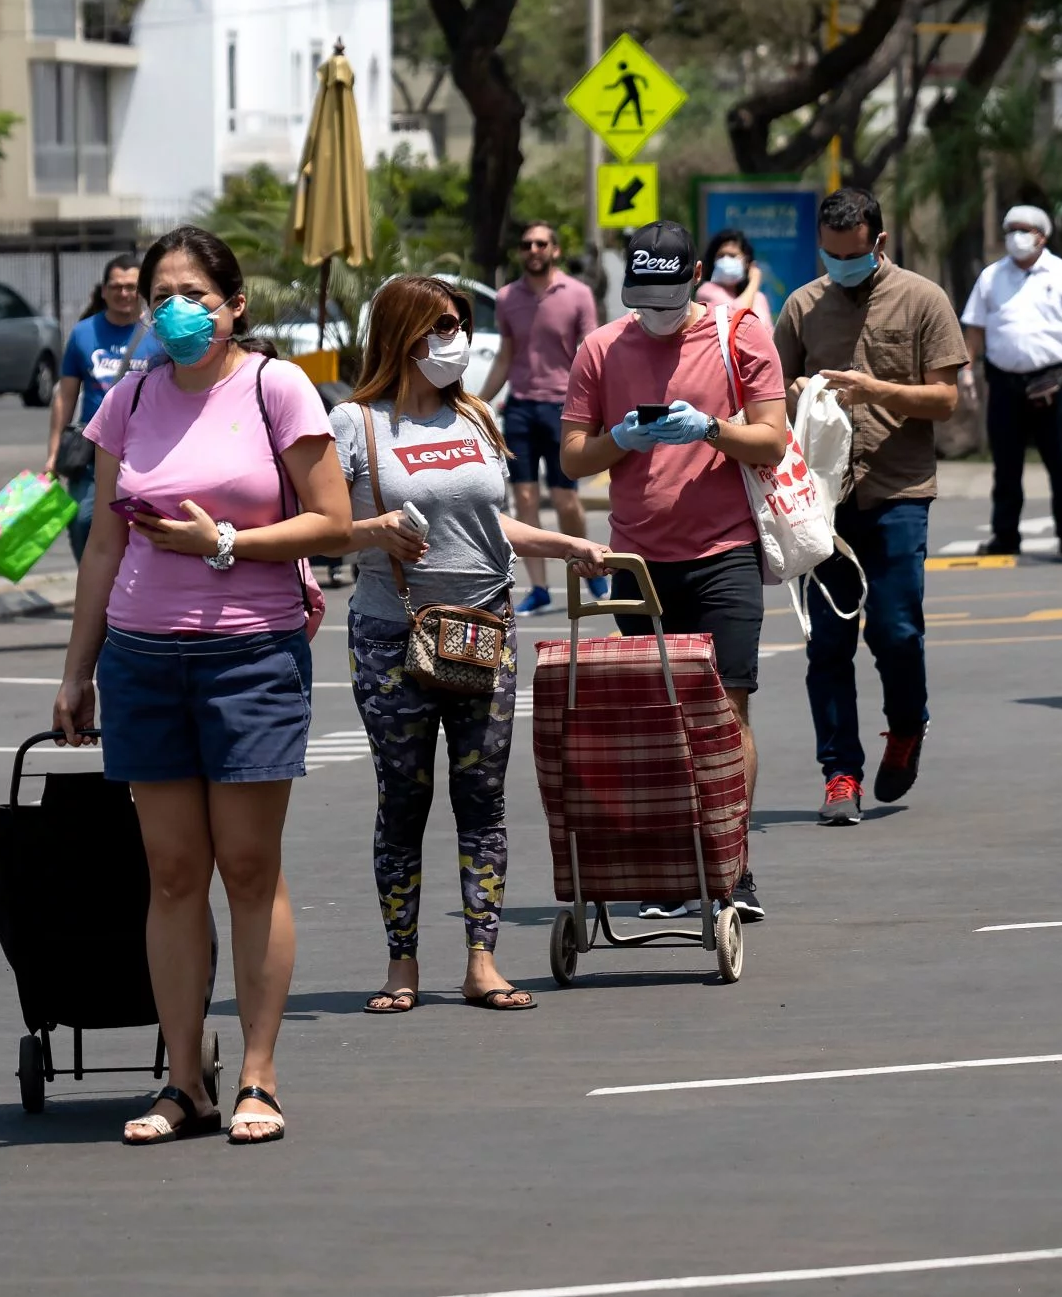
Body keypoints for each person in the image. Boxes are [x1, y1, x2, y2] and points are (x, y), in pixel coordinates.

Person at [52, 225, 351, 1149]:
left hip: (249, 656)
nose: (175, 308)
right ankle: (186, 1080)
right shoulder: (129, 396)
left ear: (235, 304)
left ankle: (258, 1073)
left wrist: (226, 543)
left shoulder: (277, 386)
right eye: (159, 294)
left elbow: (334, 523)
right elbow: (103, 541)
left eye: (193, 292)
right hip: (142, 660)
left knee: (249, 869)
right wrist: (77, 668)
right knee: (173, 874)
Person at [333, 275, 606, 1015]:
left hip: (484, 628)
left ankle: (482, 959)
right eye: (444, 324)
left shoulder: (478, 416)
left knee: (482, 796)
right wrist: (369, 534)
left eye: (461, 323)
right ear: (403, 333)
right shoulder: (354, 424)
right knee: (405, 798)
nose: (458, 337)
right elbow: (323, 526)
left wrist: (569, 541)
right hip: (395, 633)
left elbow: (495, 527)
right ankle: (402, 961)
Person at [561, 220, 790, 917]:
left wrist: (711, 428)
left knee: (725, 712)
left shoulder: (740, 333)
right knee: (657, 720)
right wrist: (619, 439)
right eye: (643, 301)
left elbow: (773, 440)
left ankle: (730, 864)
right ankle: (670, 868)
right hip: (638, 557)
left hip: (723, 553)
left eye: (669, 299)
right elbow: (573, 458)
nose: (656, 316)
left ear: (695, 274)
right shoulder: (600, 349)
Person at [778, 189, 966, 824]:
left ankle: (907, 725)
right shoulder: (802, 305)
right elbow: (769, 394)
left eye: (853, 256)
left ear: (879, 245)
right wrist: (797, 391)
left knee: (896, 631)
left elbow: (945, 399)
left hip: (897, 490)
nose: (840, 266)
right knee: (828, 643)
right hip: (823, 503)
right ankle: (840, 774)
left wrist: (875, 390)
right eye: (830, 256)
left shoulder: (924, 299)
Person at [483, 221, 604, 613]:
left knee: (566, 498)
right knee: (524, 497)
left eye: (540, 243)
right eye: (526, 244)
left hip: (563, 408)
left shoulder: (578, 294)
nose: (533, 249)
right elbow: (505, 355)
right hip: (519, 406)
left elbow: (591, 351)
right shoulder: (506, 297)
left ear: (554, 249)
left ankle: (591, 569)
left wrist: (599, 405)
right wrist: (478, 402)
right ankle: (539, 587)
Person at [964, 204, 1062, 560]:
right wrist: (967, 370)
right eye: (1011, 229)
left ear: (1042, 236)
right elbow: (975, 326)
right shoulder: (991, 277)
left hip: (1054, 379)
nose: (1016, 237)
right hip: (1003, 382)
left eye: (1024, 229)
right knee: (1005, 465)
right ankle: (1005, 535)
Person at [43, 254, 155, 559]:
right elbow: (65, 396)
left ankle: (125, 594)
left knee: (139, 528)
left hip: (145, 451)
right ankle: (93, 586)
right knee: (82, 521)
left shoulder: (159, 335)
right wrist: (53, 455)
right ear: (103, 291)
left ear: (142, 290)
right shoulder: (83, 333)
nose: (123, 293)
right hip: (92, 452)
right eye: (116, 286)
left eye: (131, 286)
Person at [696, 228, 773, 322]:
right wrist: (754, 281)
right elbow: (736, 317)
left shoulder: (759, 298)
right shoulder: (706, 291)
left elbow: (769, 332)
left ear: (747, 263)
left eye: (732, 256)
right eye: (721, 255)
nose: (725, 260)